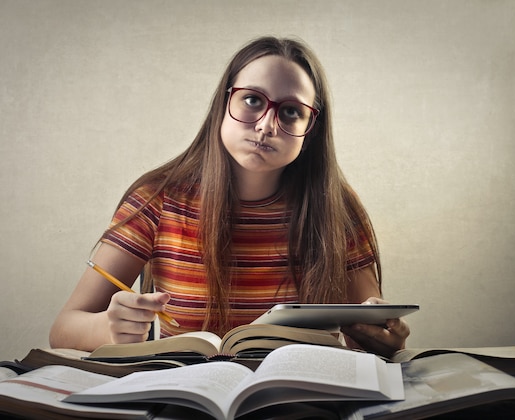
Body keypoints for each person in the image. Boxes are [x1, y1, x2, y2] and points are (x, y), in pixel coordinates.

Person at [49, 36, 410, 358]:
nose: (266, 125)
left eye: (290, 112)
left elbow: (375, 332)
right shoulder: (157, 198)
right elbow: (63, 329)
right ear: (224, 103)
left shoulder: (338, 208)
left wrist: (386, 338)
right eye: (253, 100)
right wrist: (108, 328)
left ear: (310, 129)